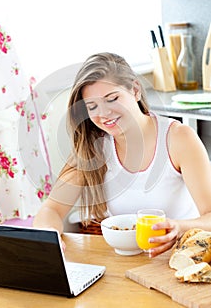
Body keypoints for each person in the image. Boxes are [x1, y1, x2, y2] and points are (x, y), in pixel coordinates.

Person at [33, 52, 211, 257]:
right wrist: (49, 234)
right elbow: (51, 210)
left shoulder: (178, 138)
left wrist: (178, 227)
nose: (104, 113)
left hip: (180, 256)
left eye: (112, 99)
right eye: (92, 106)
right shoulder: (94, 147)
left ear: (135, 90)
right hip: (123, 261)